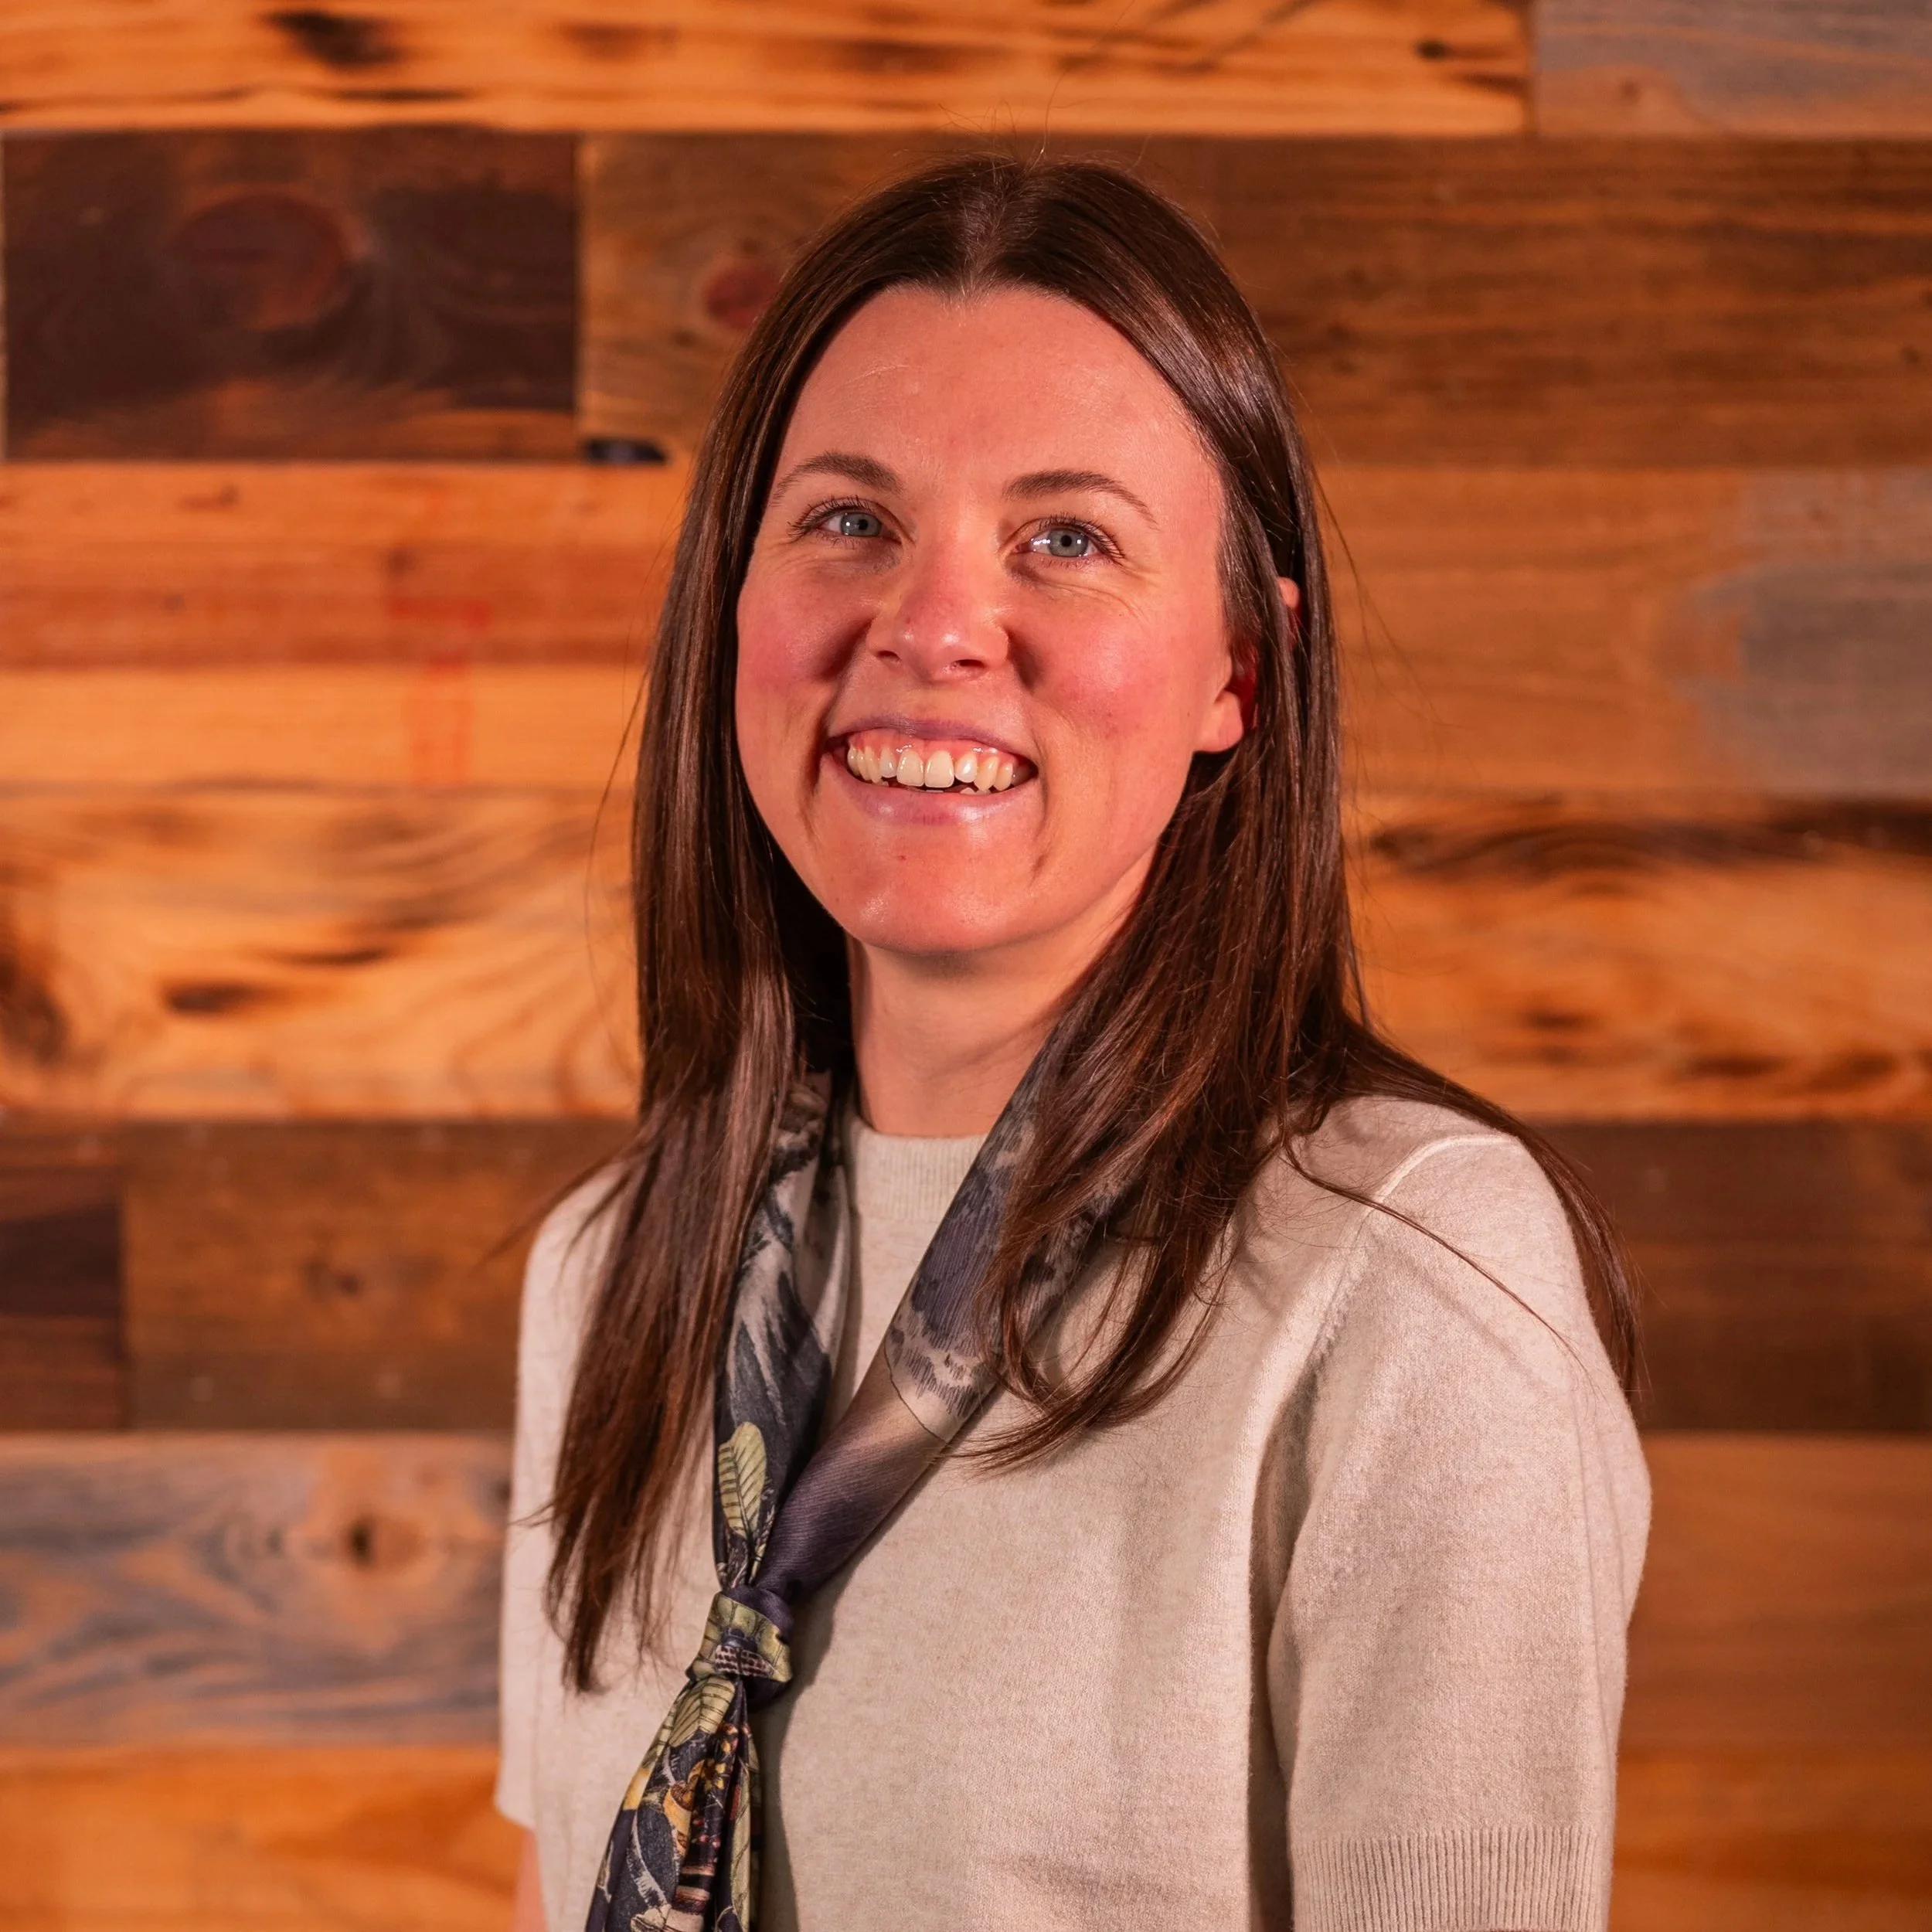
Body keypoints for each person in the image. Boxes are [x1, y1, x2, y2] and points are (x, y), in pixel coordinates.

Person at [497, 154, 1648, 1932]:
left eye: (1065, 539)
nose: (936, 627)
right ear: (734, 602)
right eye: (848, 519)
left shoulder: (1404, 1282)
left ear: (1234, 674)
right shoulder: (608, 1270)